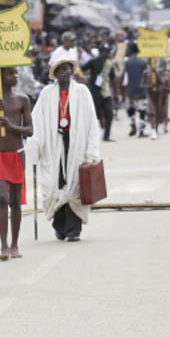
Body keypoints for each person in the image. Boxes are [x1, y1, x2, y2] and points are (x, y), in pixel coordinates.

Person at [27, 55, 101, 243]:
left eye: (67, 69)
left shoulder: (82, 91)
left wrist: (92, 150)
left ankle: (73, 229)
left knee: (75, 184)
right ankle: (60, 226)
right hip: (53, 146)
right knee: (53, 184)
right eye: (60, 70)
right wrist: (35, 144)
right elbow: (37, 120)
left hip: (77, 144)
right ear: (55, 73)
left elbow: (92, 121)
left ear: (71, 70)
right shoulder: (47, 93)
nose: (64, 73)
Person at [0, 67, 32, 261]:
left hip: (17, 154)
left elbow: (29, 130)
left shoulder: (22, 100)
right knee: (2, 198)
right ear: (0, 76)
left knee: (15, 201)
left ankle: (14, 244)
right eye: (10, 73)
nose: (15, 76)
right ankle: (3, 245)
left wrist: (11, 126)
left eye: (15, 73)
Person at [121, 44, 148, 137]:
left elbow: (123, 76)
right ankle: (141, 130)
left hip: (130, 89)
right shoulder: (143, 62)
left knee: (130, 109)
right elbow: (146, 75)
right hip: (141, 89)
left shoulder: (127, 62)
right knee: (142, 110)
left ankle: (133, 126)